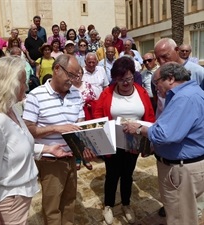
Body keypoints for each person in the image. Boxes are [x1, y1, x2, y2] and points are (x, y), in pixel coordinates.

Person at [0, 56, 71, 225]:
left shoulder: (11, 110)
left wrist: (47, 150)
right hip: (9, 202)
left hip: (20, 195)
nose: (26, 86)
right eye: (23, 82)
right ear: (9, 85)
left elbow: (18, 145)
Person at [124, 62, 204, 225]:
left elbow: (165, 135)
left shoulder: (184, 98)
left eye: (156, 82)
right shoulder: (194, 91)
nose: (155, 88)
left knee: (180, 218)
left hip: (180, 170)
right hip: (186, 167)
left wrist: (139, 129)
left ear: (170, 78)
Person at [23, 54, 85, 225]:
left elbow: (80, 122)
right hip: (51, 160)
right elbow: (28, 130)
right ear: (57, 69)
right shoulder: (36, 96)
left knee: (70, 201)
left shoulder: (76, 95)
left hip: (71, 156)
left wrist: (82, 151)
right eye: (70, 75)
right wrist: (57, 128)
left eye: (76, 76)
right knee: (52, 206)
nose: (72, 80)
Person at [92, 56, 155, 225]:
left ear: (133, 76)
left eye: (128, 78)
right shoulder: (107, 93)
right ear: (115, 79)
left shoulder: (141, 91)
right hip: (112, 142)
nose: (125, 83)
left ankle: (126, 204)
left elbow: (149, 115)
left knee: (127, 174)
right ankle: (108, 205)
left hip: (134, 143)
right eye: (121, 79)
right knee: (112, 175)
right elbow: (98, 114)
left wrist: (146, 142)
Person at [72, 67, 96, 170]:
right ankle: (77, 159)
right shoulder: (69, 87)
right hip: (75, 116)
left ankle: (86, 159)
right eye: (75, 74)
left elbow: (93, 98)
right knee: (76, 138)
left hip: (87, 116)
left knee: (86, 139)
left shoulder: (87, 85)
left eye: (79, 73)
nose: (78, 76)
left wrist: (90, 105)